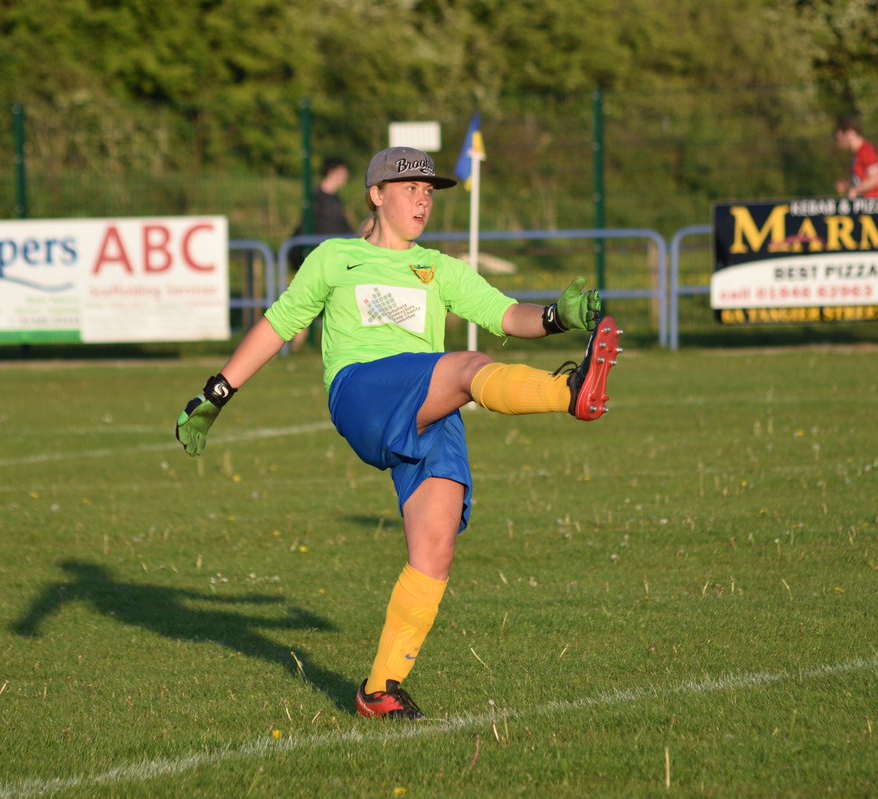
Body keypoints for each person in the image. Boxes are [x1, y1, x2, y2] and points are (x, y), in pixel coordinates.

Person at [175, 146, 621, 720]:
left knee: (434, 550)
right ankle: (571, 393)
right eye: (410, 188)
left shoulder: (441, 267)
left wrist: (558, 316)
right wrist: (216, 393)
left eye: (429, 192)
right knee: (466, 365)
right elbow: (279, 323)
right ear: (376, 194)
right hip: (363, 393)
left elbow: (505, 313)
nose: (422, 199)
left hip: (429, 403)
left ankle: (379, 689)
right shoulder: (335, 258)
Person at [289, 157, 355, 351]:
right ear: (333, 172)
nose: (346, 177)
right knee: (305, 303)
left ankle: (296, 348)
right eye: (343, 172)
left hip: (337, 259)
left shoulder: (335, 200)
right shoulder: (316, 200)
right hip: (321, 260)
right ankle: (291, 347)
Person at [834, 115, 878, 199]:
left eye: (841, 138)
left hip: (876, 204)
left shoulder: (867, 151)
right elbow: (862, 180)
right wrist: (847, 185)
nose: (840, 143)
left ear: (850, 133)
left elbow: (876, 179)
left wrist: (856, 190)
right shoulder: (857, 154)